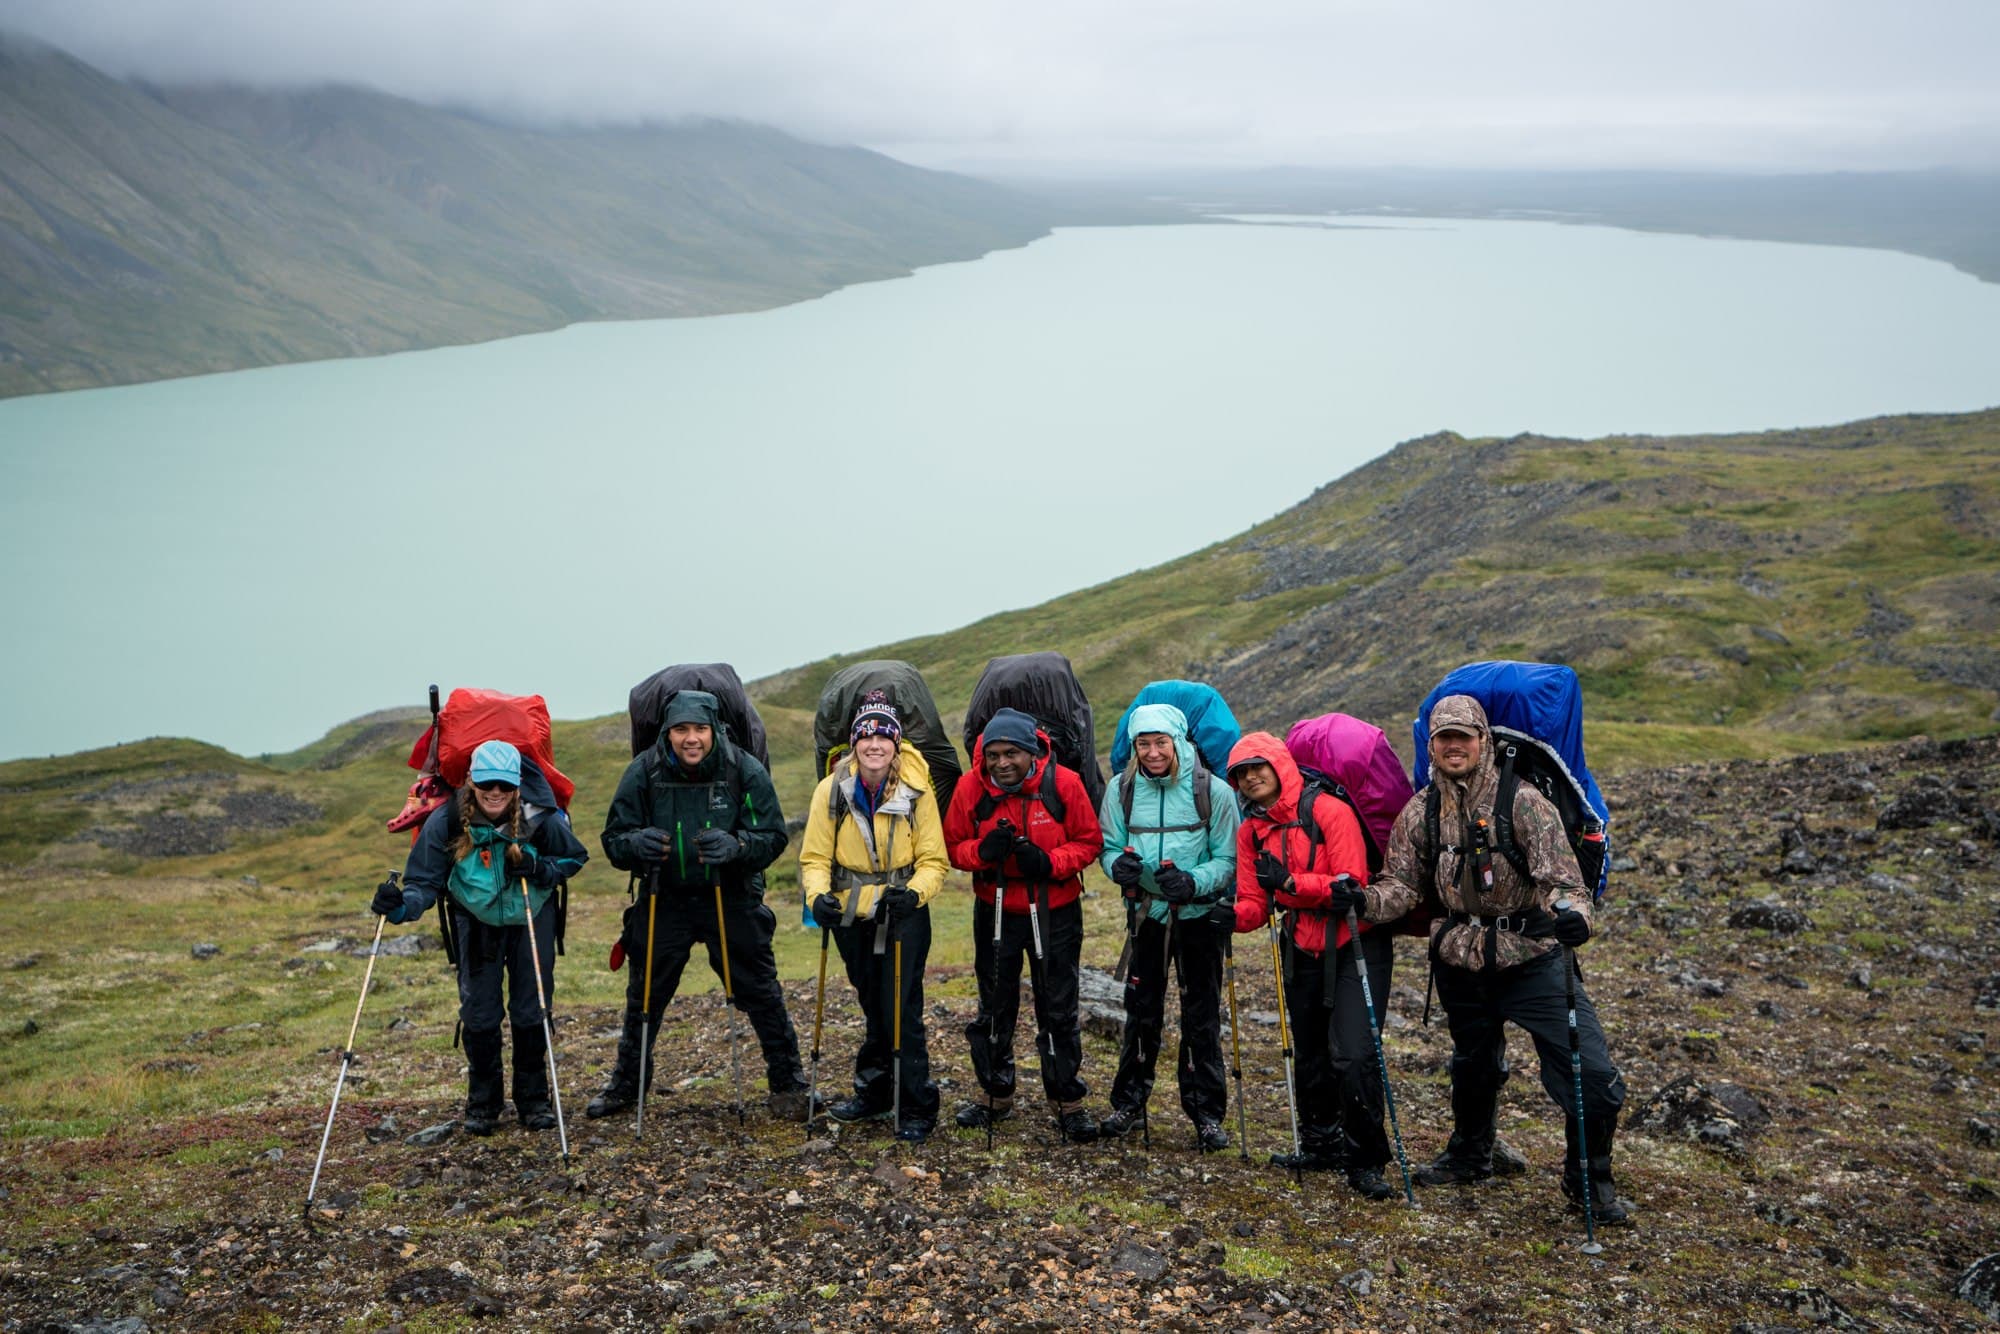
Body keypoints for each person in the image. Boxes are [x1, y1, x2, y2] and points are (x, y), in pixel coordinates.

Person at [1330, 695, 1632, 1223]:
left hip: (1533, 956)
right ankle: (1471, 1155)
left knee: (1591, 1074)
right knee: (1473, 1064)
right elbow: (1401, 884)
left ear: (1482, 742)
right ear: (1432, 745)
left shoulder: (1526, 802)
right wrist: (1365, 901)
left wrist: (1575, 916)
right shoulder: (1421, 809)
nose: (1453, 746)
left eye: (1463, 737)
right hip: (1459, 961)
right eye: (1443, 738)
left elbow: (1564, 880)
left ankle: (1589, 1181)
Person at [590, 689, 815, 1120]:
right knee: (645, 996)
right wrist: (635, 844)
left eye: (699, 729)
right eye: (680, 730)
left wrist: (738, 846)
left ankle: (789, 1083)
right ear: (667, 733)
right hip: (663, 896)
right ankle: (626, 1085)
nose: (690, 738)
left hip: (729, 895)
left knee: (760, 990)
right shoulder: (644, 772)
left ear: (716, 730)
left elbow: (772, 836)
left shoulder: (743, 770)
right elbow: (614, 841)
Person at [372, 739, 589, 1135]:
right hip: (475, 922)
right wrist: (400, 907)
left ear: (517, 785)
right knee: (480, 1014)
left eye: (504, 785)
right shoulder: (448, 821)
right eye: (487, 782)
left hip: (530, 915)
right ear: (471, 780)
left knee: (531, 1008)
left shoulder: (540, 818)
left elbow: (574, 858)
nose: (495, 792)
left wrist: (542, 871)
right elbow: (424, 881)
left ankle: (534, 1100)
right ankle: (484, 1105)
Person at [1226, 732, 1397, 1198]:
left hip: (1355, 944)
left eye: (1258, 767)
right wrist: (1227, 915)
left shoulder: (1328, 812)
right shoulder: (1251, 831)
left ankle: (1366, 1160)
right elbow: (1254, 905)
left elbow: (1350, 886)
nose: (1250, 778)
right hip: (1300, 944)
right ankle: (1322, 1144)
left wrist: (1291, 883)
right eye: (1241, 772)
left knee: (1354, 1053)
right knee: (1312, 1052)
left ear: (1281, 765)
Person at [944, 707, 1104, 1142]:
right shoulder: (969, 788)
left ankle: (1067, 1100)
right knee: (994, 1005)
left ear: (1031, 751)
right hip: (994, 905)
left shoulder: (1063, 784)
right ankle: (996, 1093)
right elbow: (954, 847)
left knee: (1057, 1005)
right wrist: (984, 852)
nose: (1001, 763)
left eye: (1011, 752)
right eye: (993, 754)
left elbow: (1090, 842)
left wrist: (1049, 862)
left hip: (1054, 909)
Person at [799, 693, 950, 1141]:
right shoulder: (831, 790)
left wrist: (914, 894)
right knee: (872, 1001)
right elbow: (814, 857)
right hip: (852, 912)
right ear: (854, 743)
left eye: (883, 735)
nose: (875, 745)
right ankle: (876, 1091)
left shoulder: (916, 791)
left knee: (901, 1006)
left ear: (896, 743)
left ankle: (917, 1104)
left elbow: (934, 861)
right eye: (866, 736)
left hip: (904, 911)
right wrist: (817, 898)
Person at [1097, 703, 1240, 1151]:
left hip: (1199, 917)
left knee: (1200, 1014)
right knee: (1141, 1010)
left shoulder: (1212, 792)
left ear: (1179, 741)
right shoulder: (1121, 789)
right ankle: (1128, 1102)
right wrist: (1115, 866)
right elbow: (1107, 846)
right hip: (1147, 917)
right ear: (1134, 746)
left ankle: (1206, 1114)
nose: (1153, 752)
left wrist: (1192, 881)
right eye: (1144, 744)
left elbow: (1230, 860)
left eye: (1161, 742)